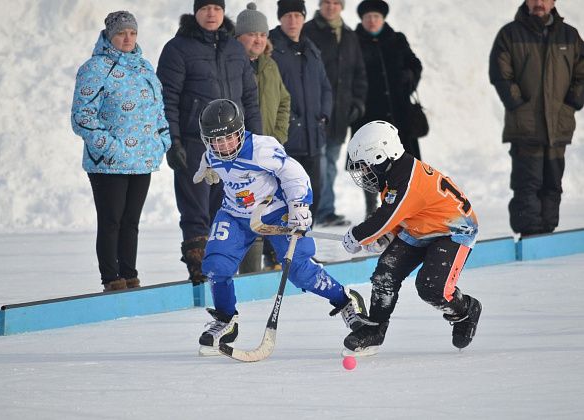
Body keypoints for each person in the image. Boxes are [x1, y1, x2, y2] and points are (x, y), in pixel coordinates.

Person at [193, 99, 370, 356]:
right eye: (215, 141)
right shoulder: (212, 152)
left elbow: (293, 173)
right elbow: (209, 158)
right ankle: (225, 319)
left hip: (275, 213)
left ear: (240, 132)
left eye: (229, 138)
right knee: (216, 266)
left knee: (299, 270)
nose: (223, 146)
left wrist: (299, 205)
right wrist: (207, 167)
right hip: (234, 214)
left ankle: (345, 301)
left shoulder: (261, 149)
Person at [340, 121, 482, 355]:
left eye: (365, 166)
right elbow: (397, 213)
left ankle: (465, 310)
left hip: (454, 230)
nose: (364, 172)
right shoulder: (394, 175)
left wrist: (357, 236)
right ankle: (375, 328)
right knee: (385, 274)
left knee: (431, 287)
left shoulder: (406, 181)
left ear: (380, 156)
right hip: (420, 227)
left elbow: (387, 215)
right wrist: (386, 236)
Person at [157, 0, 262, 285]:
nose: (211, 13)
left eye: (216, 7)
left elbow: (249, 99)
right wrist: (172, 141)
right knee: (195, 211)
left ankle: (222, 269)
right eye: (205, 8)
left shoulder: (233, 49)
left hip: (231, 145)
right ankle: (200, 272)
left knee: (227, 208)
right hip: (194, 143)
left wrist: (258, 141)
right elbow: (167, 100)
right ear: (196, 12)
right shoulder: (177, 49)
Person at [71, 11, 171, 292]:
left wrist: (162, 139)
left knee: (131, 222)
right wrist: (109, 147)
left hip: (141, 160)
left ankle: (130, 274)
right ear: (109, 36)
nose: (127, 38)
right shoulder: (95, 68)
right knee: (111, 221)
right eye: (121, 33)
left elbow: (158, 109)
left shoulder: (143, 67)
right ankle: (112, 278)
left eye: (132, 33)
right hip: (108, 163)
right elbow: (82, 116)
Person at [489, 0, 584, 238]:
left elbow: (582, 74)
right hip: (525, 127)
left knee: (553, 182)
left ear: (553, 2)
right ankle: (530, 234)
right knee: (527, 183)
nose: (539, 3)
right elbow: (500, 74)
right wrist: (518, 105)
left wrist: (571, 104)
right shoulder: (510, 34)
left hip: (558, 126)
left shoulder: (570, 36)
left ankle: (548, 231)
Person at [352, 0, 423, 219]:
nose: (372, 21)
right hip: (369, 114)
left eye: (376, 17)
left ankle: (411, 201)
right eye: (368, 18)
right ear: (362, 20)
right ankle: (372, 206)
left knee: (405, 159)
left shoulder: (397, 39)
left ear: (383, 19)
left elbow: (415, 64)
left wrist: (409, 76)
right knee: (369, 162)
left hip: (399, 113)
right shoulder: (354, 42)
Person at [235, 2, 291, 272]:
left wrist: (277, 137)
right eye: (252, 34)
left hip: (266, 151)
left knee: (268, 206)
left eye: (262, 34)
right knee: (245, 210)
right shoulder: (232, 64)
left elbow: (284, 101)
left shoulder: (270, 65)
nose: (258, 39)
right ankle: (246, 271)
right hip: (239, 152)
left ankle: (270, 263)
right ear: (239, 37)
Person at [303, 0, 368, 228]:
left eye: (335, 3)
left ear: (341, 6)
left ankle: (325, 210)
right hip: (316, 113)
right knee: (317, 165)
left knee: (329, 164)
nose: (330, 7)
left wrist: (358, 102)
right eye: (326, 2)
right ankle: (319, 211)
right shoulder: (308, 31)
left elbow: (359, 72)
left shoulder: (349, 35)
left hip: (340, 115)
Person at [270, 0, 333, 222]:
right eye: (287, 16)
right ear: (280, 18)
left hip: (313, 137)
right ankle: (279, 250)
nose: (293, 21)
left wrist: (323, 116)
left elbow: (325, 86)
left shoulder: (311, 48)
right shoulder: (271, 48)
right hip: (287, 140)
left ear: (304, 18)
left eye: (297, 15)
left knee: (312, 192)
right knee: (286, 197)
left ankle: (303, 242)